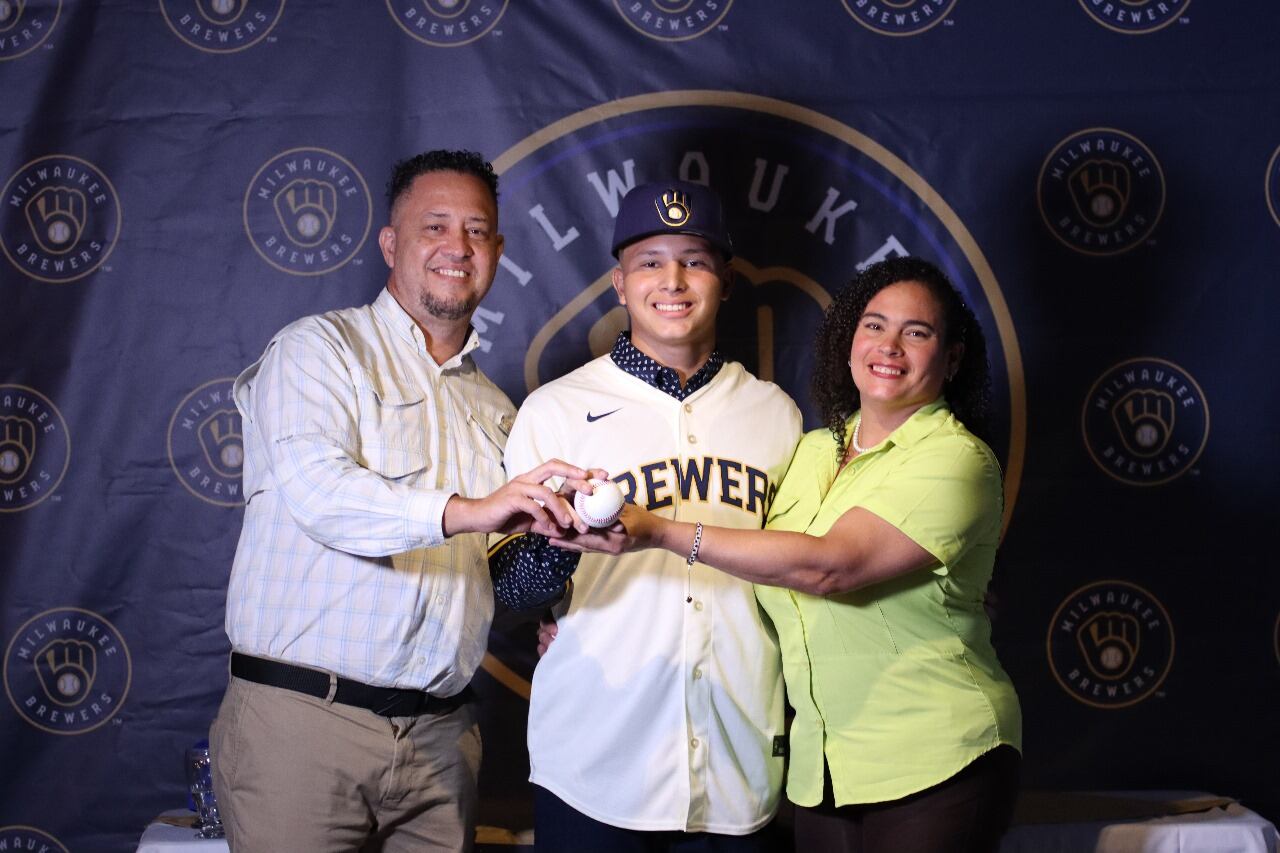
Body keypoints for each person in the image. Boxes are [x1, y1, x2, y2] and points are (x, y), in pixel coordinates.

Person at [564, 257, 1023, 853]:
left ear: (952, 357)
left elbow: (829, 566)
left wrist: (662, 532)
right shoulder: (810, 451)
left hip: (938, 756)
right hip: (824, 769)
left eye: (918, 332)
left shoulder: (957, 458)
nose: (890, 346)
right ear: (849, 339)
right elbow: (763, 562)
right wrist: (564, 616)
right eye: (874, 325)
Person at [210, 149, 596, 853]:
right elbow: (320, 495)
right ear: (392, 243)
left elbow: (499, 573)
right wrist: (469, 510)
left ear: (498, 251)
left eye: (477, 231)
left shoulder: (496, 408)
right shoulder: (319, 350)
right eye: (435, 226)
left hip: (442, 737)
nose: (458, 247)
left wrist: (562, 589)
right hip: (305, 725)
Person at [489, 180, 803, 851]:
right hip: (595, 764)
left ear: (723, 279)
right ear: (619, 283)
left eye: (694, 260)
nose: (674, 280)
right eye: (651, 262)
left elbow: (801, 573)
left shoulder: (775, 413)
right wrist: (564, 542)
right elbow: (503, 591)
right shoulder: (557, 409)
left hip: (738, 764)